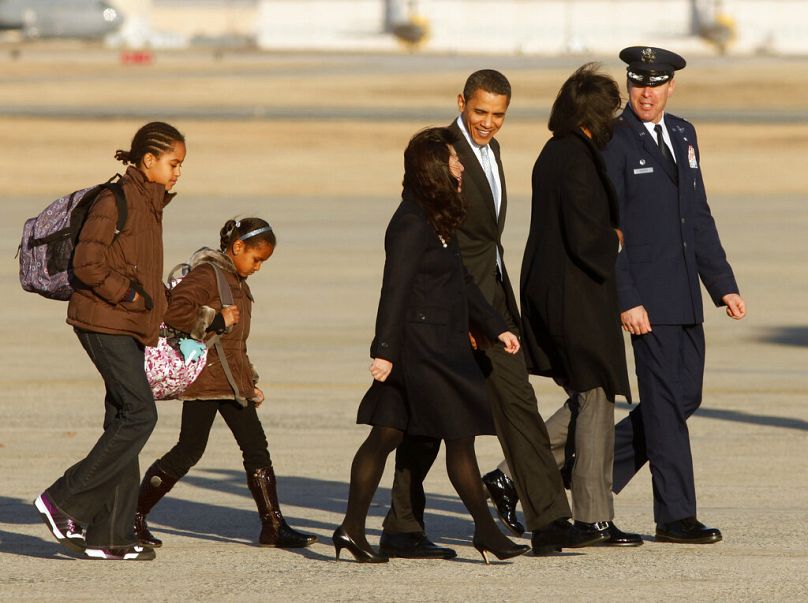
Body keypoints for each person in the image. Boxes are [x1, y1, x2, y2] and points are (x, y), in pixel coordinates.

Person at [379, 70, 606, 558]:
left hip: (492, 300)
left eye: (498, 115)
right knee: (431, 420)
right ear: (461, 102)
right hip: (452, 307)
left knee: (517, 400)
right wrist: (453, 314)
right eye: (480, 111)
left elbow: (487, 240)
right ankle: (401, 524)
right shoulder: (441, 151)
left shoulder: (493, 151)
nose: (488, 123)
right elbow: (423, 229)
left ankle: (549, 520)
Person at [333, 127, 530, 564]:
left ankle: (350, 529)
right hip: (423, 352)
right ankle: (486, 533)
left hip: (437, 345)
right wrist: (383, 350)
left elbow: (461, 282)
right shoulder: (409, 222)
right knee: (459, 440)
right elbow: (395, 290)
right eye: (454, 161)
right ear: (434, 170)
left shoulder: (437, 218)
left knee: (386, 435)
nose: (461, 167)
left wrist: (497, 327)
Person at [602, 46, 746, 543]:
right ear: (628, 86)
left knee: (685, 397)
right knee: (664, 405)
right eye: (638, 82)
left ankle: (567, 476)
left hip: (685, 292)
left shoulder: (684, 134)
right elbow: (608, 230)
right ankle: (675, 515)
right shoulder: (614, 140)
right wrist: (626, 297)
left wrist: (723, 285)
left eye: (655, 83)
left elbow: (697, 216)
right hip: (647, 300)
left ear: (671, 87)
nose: (646, 92)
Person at [34, 121, 186, 561]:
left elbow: (141, 270)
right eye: (173, 163)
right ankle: (64, 500)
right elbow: (88, 263)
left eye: (181, 165)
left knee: (124, 418)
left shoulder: (150, 202)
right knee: (140, 414)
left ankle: (112, 535)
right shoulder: (114, 199)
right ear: (148, 160)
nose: (178, 172)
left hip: (129, 322)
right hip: (105, 322)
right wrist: (132, 296)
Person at [132, 218, 317, 550]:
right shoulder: (208, 275)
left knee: (256, 448)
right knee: (188, 451)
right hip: (205, 381)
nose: (258, 267)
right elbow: (175, 312)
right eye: (256, 259)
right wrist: (216, 318)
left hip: (231, 383)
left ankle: (273, 526)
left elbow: (235, 345)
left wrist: (250, 382)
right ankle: (132, 516)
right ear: (237, 248)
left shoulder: (238, 281)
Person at [520, 64, 641, 546]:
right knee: (595, 396)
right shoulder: (574, 157)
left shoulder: (558, 151)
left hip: (562, 293)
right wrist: (613, 237)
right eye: (611, 110)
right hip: (575, 295)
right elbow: (584, 231)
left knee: (589, 397)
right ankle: (593, 516)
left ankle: (511, 474)